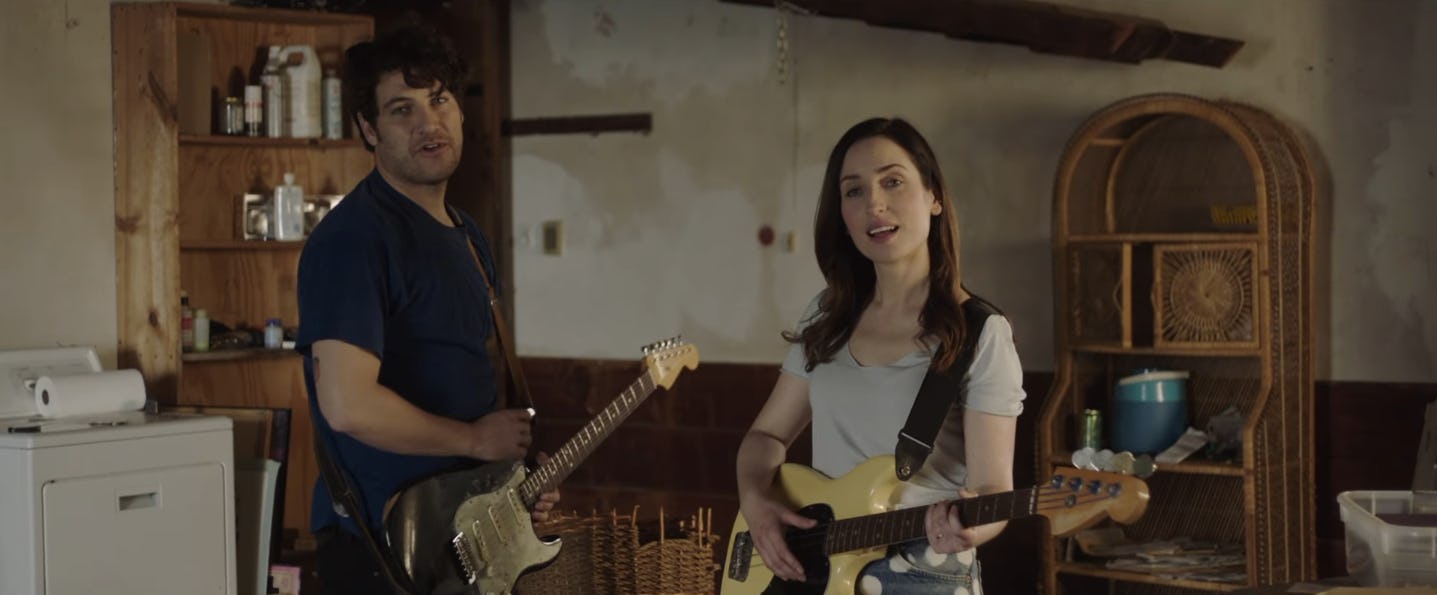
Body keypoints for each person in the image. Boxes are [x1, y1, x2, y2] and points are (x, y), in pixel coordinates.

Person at [296, 24, 559, 595]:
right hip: (385, 551)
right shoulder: (355, 240)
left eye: (439, 100)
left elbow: (471, 388)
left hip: (459, 540)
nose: (428, 123)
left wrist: (511, 484)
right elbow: (346, 405)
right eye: (401, 110)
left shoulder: (466, 235)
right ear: (368, 129)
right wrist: (473, 440)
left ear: (459, 111)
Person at [735, 117, 1026, 594]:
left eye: (892, 182)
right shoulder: (827, 316)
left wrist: (970, 529)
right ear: (843, 216)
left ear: (933, 196)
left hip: (924, 575)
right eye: (854, 191)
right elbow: (765, 435)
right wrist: (755, 499)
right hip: (820, 573)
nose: (874, 204)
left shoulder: (980, 333)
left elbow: (995, 488)